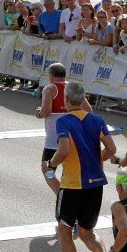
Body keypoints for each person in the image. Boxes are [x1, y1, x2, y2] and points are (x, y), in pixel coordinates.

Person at [41, 82, 116, 252]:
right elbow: (111, 148)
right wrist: (96, 161)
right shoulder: (97, 119)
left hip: (72, 184)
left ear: (66, 101)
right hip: (95, 185)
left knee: (65, 231)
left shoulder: (64, 121)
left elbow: (63, 150)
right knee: (87, 232)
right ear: (84, 99)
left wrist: (52, 165)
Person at [36, 63, 91, 195]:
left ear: (51, 76)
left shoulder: (49, 89)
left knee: (47, 170)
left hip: (54, 138)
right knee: (68, 169)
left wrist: (38, 113)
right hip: (73, 137)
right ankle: (69, 194)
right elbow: (89, 110)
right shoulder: (73, 88)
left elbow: (46, 111)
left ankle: (60, 194)